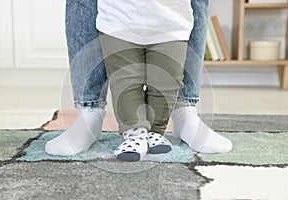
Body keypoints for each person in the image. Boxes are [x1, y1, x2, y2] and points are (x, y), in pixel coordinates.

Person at [45, 0, 232, 157]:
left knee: (166, 79)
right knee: (125, 81)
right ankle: (91, 114)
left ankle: (183, 114)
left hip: (172, 23)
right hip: (118, 21)